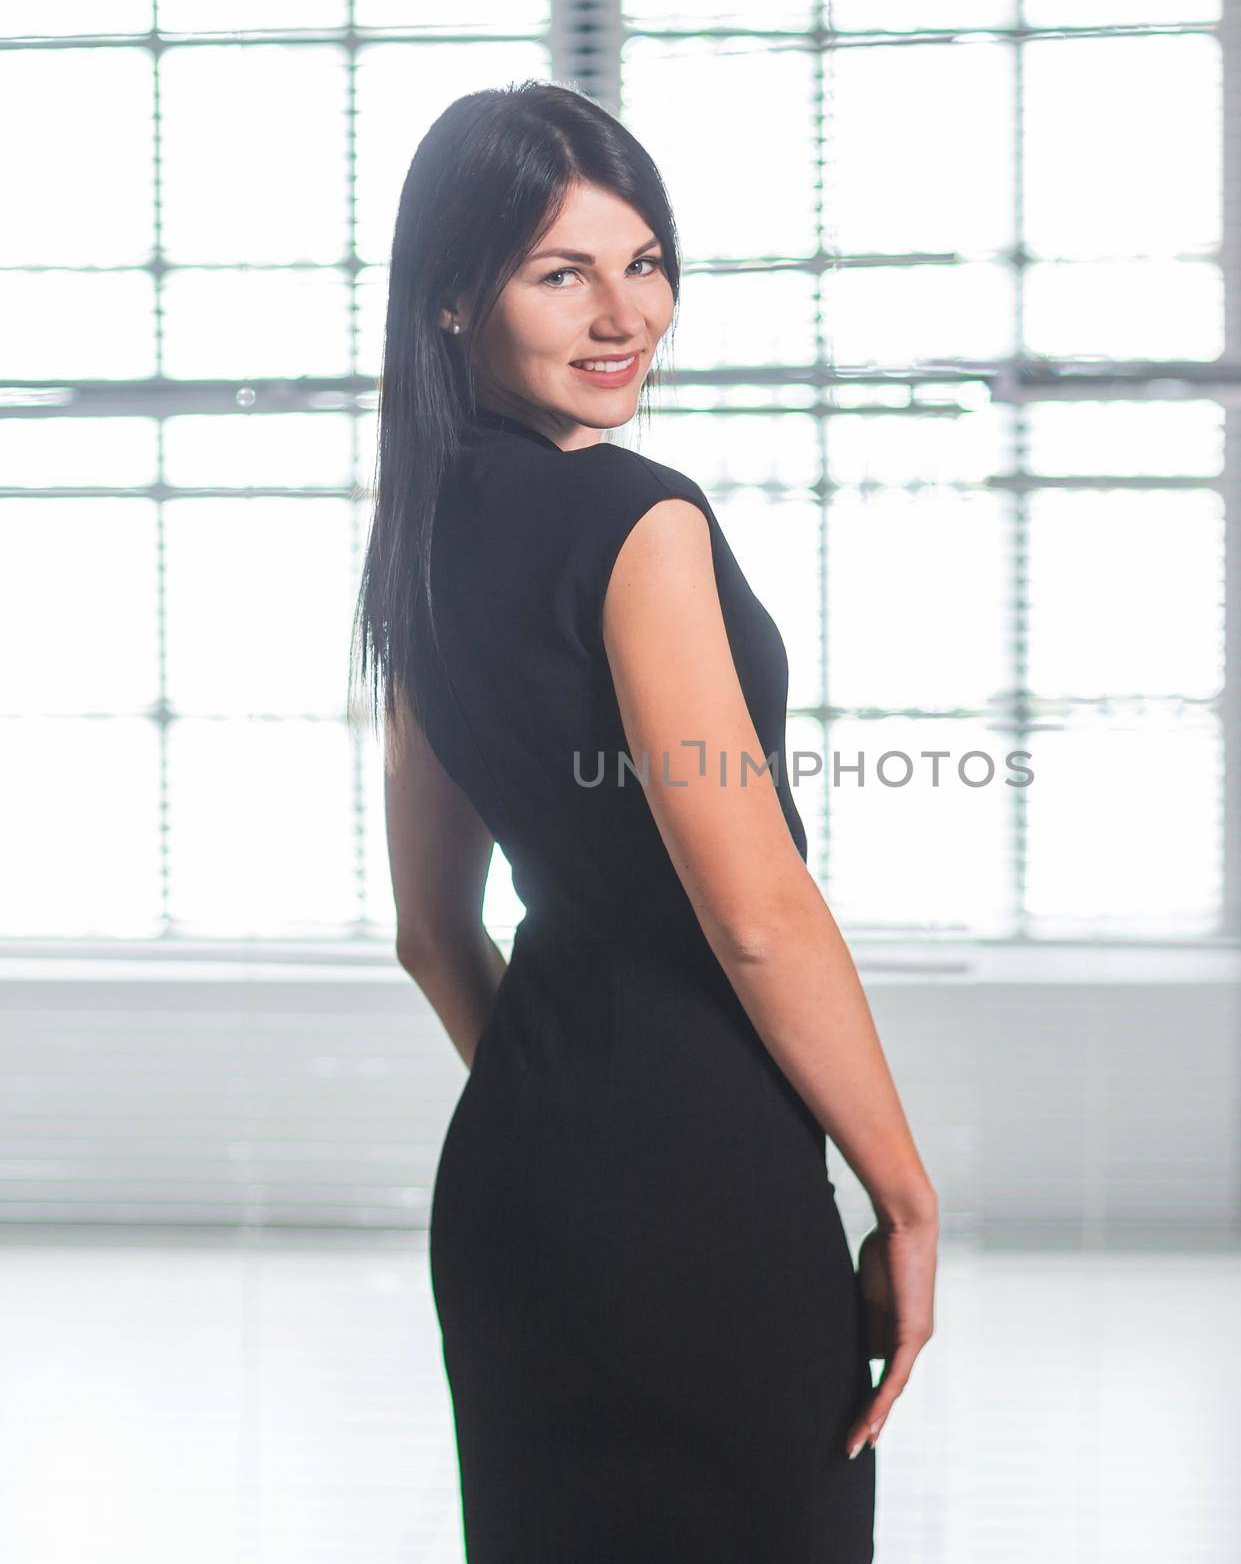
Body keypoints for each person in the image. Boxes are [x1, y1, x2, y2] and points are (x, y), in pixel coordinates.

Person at [350, 79, 938, 1561]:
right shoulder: (637, 517)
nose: (625, 314)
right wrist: (905, 1197)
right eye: (564, 272)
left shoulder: (416, 547)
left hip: (516, 1186)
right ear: (451, 299)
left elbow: (433, 933)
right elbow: (755, 907)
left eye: (647, 261)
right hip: (706, 1197)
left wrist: (571, 1122)